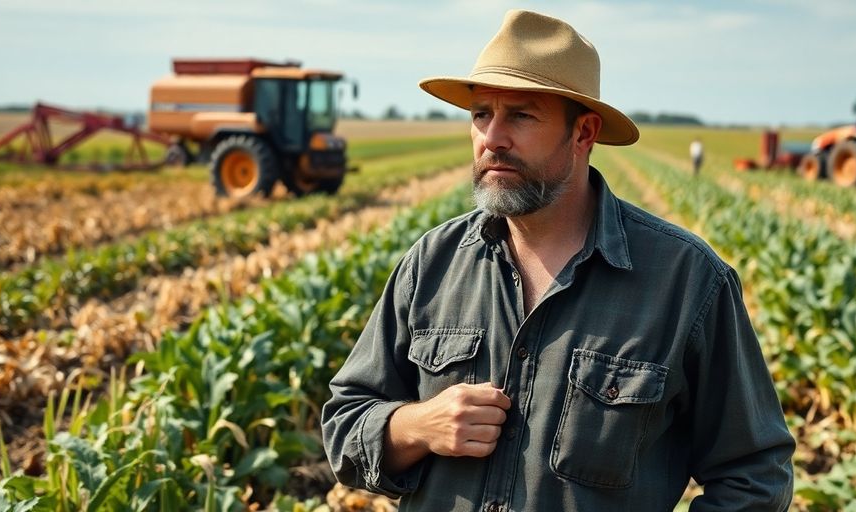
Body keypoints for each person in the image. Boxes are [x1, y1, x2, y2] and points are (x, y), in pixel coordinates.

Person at [322, 9, 794, 511]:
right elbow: (344, 424)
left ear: (584, 133)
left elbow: (754, 475)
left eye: (521, 116)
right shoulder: (432, 264)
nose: (493, 138)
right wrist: (414, 426)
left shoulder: (686, 281)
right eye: (482, 114)